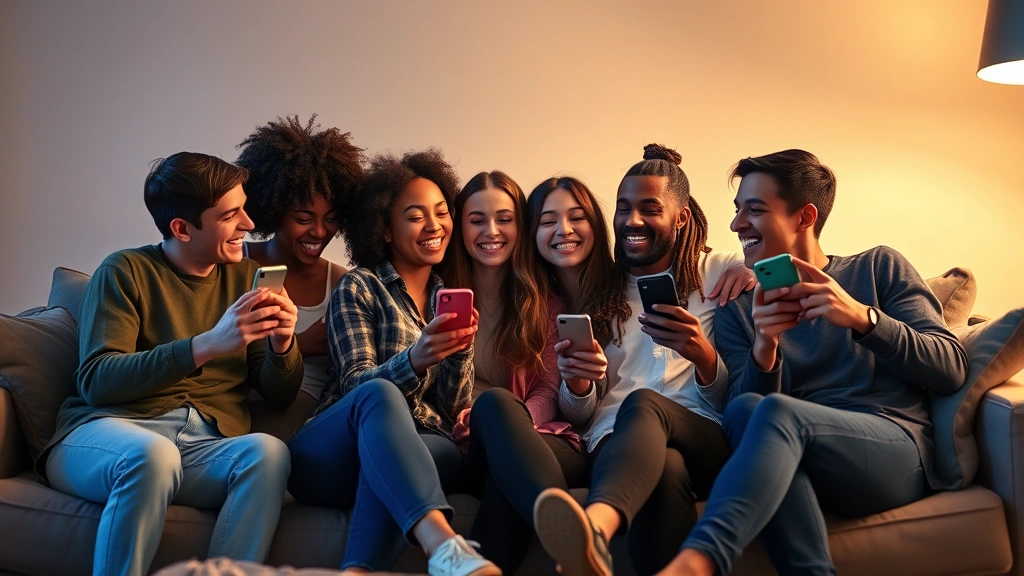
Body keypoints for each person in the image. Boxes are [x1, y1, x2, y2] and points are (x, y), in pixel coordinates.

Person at [659, 149, 968, 576]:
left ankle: (700, 561)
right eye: (736, 211)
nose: (736, 224)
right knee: (751, 408)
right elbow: (736, 418)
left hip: (891, 453)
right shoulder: (739, 308)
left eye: (755, 210)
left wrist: (863, 318)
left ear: (804, 217)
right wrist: (765, 347)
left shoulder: (877, 267)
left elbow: (951, 367)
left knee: (775, 414)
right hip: (795, 453)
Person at [40, 152, 304, 576]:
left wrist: (281, 343)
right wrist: (206, 345)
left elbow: (279, 392)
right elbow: (97, 381)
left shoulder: (244, 277)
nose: (249, 225)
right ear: (182, 229)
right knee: (153, 454)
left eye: (244, 208)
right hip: (111, 434)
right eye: (230, 215)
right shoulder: (125, 270)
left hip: (201, 446)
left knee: (268, 452)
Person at [532, 145, 753, 576]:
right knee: (666, 468)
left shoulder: (719, 272)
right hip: (615, 444)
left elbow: (741, 389)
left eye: (649, 209)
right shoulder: (601, 291)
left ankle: (595, 528)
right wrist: (578, 387)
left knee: (644, 403)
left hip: (703, 433)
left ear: (682, 217)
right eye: (623, 209)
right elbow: (583, 412)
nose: (631, 221)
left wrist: (703, 356)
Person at [285, 149, 500, 576]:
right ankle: (445, 546)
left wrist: (460, 350)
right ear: (384, 229)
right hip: (330, 454)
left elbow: (451, 407)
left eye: (441, 212)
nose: (434, 225)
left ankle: (357, 571)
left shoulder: (444, 296)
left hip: (410, 448)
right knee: (380, 393)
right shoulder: (359, 287)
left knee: (425, 452)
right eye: (416, 216)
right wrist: (415, 359)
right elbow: (355, 386)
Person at [441, 170, 586, 574]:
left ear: (520, 227)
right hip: (472, 446)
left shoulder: (545, 302)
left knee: (500, 434)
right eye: (476, 220)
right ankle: (573, 540)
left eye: (504, 219)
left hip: (543, 438)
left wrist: (513, 421)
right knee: (493, 407)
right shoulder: (438, 297)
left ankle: (564, 537)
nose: (492, 231)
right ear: (460, 228)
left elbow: (549, 389)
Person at [235, 114, 364, 431]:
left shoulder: (344, 284)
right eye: (304, 218)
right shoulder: (234, 265)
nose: (320, 232)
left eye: (332, 218)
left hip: (315, 421)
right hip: (237, 413)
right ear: (273, 209)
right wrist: (301, 344)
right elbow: (214, 355)